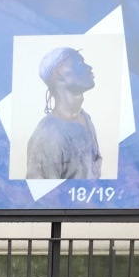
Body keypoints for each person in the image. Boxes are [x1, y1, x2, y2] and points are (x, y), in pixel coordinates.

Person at [26, 46, 102, 180]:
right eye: (79, 64)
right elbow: (42, 191)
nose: (89, 67)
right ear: (57, 74)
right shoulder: (47, 137)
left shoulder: (86, 119)